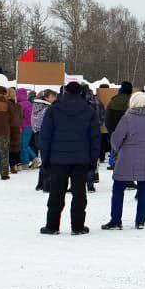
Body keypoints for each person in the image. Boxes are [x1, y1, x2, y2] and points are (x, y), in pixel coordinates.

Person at [39, 82, 100, 235]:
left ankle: (52, 225)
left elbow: (45, 136)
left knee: (56, 192)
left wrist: (45, 160)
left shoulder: (53, 109)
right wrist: (93, 160)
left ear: (65, 91)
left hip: (58, 159)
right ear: (81, 92)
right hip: (81, 158)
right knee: (79, 193)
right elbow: (94, 138)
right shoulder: (89, 110)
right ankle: (78, 226)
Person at [102, 92, 145, 230]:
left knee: (118, 188)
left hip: (127, 157)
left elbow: (116, 138)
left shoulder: (127, 118)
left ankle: (116, 220)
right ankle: (140, 221)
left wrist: (118, 149)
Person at [104, 82, 133, 168]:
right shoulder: (133, 101)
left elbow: (107, 119)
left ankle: (114, 164)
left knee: (115, 150)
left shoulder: (113, 101)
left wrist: (112, 132)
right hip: (130, 134)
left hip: (115, 132)